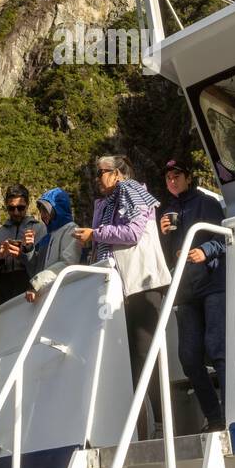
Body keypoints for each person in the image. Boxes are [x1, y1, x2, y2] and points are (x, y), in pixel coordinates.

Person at [73, 155, 171, 439]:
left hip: (142, 283)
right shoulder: (106, 203)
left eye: (101, 172)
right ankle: (141, 427)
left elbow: (132, 233)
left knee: (144, 355)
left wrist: (96, 233)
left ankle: (163, 423)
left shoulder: (132, 191)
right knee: (127, 360)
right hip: (120, 287)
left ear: (117, 174)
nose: (97, 178)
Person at [159, 160, 227, 432]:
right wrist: (161, 235)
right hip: (185, 290)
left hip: (212, 284)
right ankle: (215, 418)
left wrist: (205, 250)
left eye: (177, 175)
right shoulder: (167, 212)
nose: (173, 181)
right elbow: (163, 257)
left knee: (217, 347)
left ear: (188, 177)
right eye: (168, 178)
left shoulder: (207, 203)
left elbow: (226, 236)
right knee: (188, 358)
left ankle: (232, 413)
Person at [0, 184, 45, 311]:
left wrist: (26, 253)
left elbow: (46, 270)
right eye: (11, 208)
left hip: (32, 307)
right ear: (6, 206)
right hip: (1, 310)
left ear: (28, 205)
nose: (16, 212)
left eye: (20, 208)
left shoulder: (41, 230)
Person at [25, 188, 82, 302]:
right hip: (48, 295)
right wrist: (28, 248)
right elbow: (36, 269)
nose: (42, 215)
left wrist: (37, 283)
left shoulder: (71, 229)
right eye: (41, 211)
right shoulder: (48, 236)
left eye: (46, 210)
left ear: (57, 209)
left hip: (64, 294)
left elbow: (68, 263)